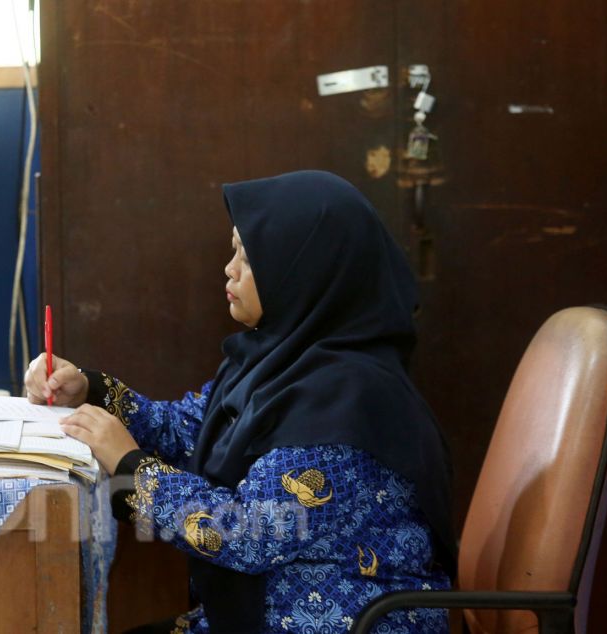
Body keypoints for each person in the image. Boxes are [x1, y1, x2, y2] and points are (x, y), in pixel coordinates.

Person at [25, 171, 455, 633]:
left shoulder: (345, 404)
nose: (229, 269)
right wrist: (91, 390)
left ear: (301, 275)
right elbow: (190, 429)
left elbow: (246, 534)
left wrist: (131, 466)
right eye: (235, 251)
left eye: (249, 260)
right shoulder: (278, 361)